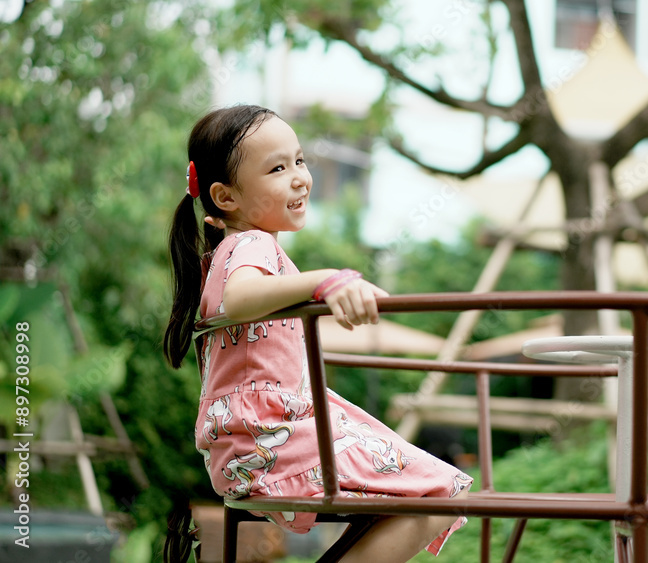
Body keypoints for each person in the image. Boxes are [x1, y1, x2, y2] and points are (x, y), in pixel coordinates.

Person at [163, 105, 472, 562]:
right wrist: (325, 280)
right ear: (226, 197)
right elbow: (239, 297)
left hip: (254, 445)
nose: (299, 178)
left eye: (299, 160)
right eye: (277, 168)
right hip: (268, 440)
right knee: (441, 491)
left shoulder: (232, 250)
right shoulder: (250, 244)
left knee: (425, 491)